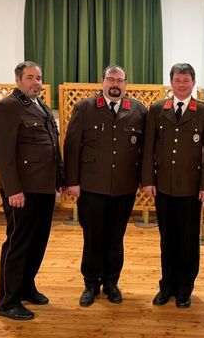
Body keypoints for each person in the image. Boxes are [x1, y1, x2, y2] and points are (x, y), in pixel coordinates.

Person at [63, 65, 147, 307]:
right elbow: (72, 146)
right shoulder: (85, 108)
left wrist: (143, 179)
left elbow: (145, 149)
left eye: (120, 80)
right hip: (91, 186)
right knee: (92, 237)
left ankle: (111, 282)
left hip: (124, 187)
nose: (115, 84)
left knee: (115, 237)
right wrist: (72, 181)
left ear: (126, 84)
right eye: (111, 79)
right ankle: (90, 284)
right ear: (102, 82)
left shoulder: (138, 111)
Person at [0, 61, 64, 321]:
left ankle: (26, 286)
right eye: (30, 78)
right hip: (22, 191)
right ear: (18, 80)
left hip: (43, 188)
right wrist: (13, 190)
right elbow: (2, 153)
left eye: (39, 77)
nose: (36, 82)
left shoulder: (39, 105)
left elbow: (53, 147)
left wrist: (60, 179)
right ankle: (7, 301)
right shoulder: (7, 108)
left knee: (37, 242)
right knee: (18, 244)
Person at [141, 63, 204, 309]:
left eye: (186, 80)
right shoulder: (156, 109)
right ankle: (167, 286)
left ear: (193, 83)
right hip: (163, 187)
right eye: (177, 79)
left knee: (188, 240)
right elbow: (148, 149)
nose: (182, 84)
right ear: (171, 82)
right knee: (167, 239)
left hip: (191, 188)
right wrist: (148, 180)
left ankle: (185, 288)